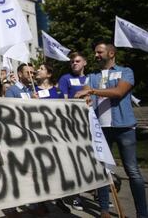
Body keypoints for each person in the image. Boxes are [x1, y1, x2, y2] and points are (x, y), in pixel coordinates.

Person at [75, 42, 148, 218]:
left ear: (112, 53)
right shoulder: (92, 76)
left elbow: (118, 92)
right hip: (101, 130)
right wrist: (85, 97)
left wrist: (92, 91)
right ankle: (104, 211)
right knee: (102, 170)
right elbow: (83, 95)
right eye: (95, 53)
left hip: (124, 128)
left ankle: (142, 213)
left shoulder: (126, 72)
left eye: (99, 52)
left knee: (132, 171)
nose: (96, 55)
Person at [58, 52, 87, 211]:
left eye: (77, 61)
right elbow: (64, 101)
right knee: (77, 162)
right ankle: (77, 197)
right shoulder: (65, 79)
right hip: (73, 125)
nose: (74, 63)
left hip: (90, 124)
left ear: (85, 63)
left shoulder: (92, 79)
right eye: (72, 62)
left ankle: (99, 193)